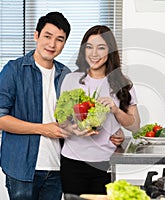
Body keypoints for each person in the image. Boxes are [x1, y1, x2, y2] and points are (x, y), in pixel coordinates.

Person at [0, 12, 71, 200]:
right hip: (22, 169)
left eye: (59, 39)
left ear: (64, 43)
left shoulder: (66, 74)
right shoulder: (13, 70)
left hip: (57, 169)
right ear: (36, 35)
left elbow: (69, 119)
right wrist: (43, 129)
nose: (52, 44)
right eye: (47, 36)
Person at [59, 25, 141, 195]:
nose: (94, 53)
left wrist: (116, 111)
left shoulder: (122, 83)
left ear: (110, 51)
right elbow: (62, 122)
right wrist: (73, 130)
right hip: (73, 162)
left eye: (101, 47)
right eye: (89, 47)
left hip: (105, 164)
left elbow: (135, 126)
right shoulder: (71, 79)